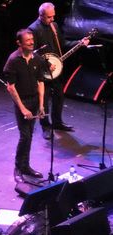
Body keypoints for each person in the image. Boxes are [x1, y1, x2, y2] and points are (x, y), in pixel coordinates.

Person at [28, 2, 89, 140]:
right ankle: (46, 126)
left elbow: (63, 44)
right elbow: (32, 53)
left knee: (59, 97)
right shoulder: (33, 29)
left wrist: (78, 43)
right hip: (43, 71)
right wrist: (46, 63)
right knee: (43, 100)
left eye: (53, 16)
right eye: (49, 17)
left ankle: (57, 122)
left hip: (56, 71)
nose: (52, 19)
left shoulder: (54, 26)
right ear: (41, 15)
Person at [3, 29, 45, 183]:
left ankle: (25, 165)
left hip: (34, 100)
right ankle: (18, 167)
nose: (32, 42)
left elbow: (40, 82)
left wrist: (41, 104)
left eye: (32, 39)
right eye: (28, 40)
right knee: (25, 135)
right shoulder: (13, 61)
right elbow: (11, 87)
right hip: (23, 102)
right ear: (19, 43)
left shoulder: (37, 59)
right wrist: (22, 108)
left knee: (30, 135)